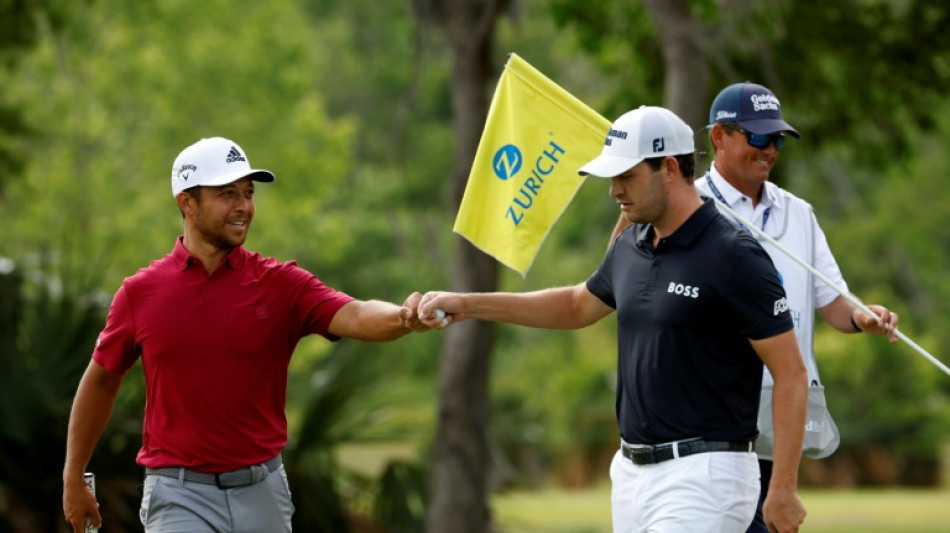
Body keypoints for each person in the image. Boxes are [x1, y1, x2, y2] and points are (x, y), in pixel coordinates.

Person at [418, 106, 809, 533]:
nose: (614, 191)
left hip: (705, 476)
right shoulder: (631, 245)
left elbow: (790, 373)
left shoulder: (734, 254)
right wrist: (468, 305)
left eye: (627, 176)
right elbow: (575, 305)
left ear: (670, 168)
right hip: (630, 474)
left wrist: (783, 489)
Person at [62, 136, 433, 533]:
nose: (244, 206)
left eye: (248, 193)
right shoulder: (140, 293)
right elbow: (101, 381)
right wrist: (73, 476)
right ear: (187, 202)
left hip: (263, 493)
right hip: (179, 496)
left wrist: (404, 316)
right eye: (227, 194)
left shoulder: (281, 283)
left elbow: (357, 314)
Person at [608, 83, 900, 533]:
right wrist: (630, 209)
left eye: (777, 139)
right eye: (758, 138)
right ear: (718, 137)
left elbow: (834, 301)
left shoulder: (799, 212)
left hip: (778, 416)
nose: (770, 150)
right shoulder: (680, 203)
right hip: (713, 422)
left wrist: (863, 316)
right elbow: (620, 279)